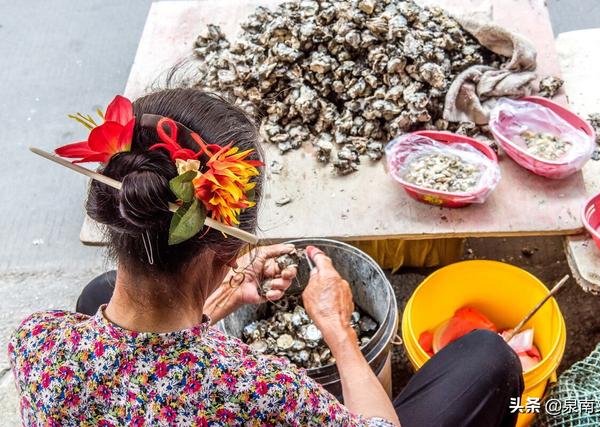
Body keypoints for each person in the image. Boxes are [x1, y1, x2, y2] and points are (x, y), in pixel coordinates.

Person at [9, 88, 524, 426]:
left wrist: (219, 299)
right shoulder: (263, 393)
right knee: (488, 360)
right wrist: (340, 332)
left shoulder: (37, 343)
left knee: (98, 294)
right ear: (231, 243)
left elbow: (148, 374)